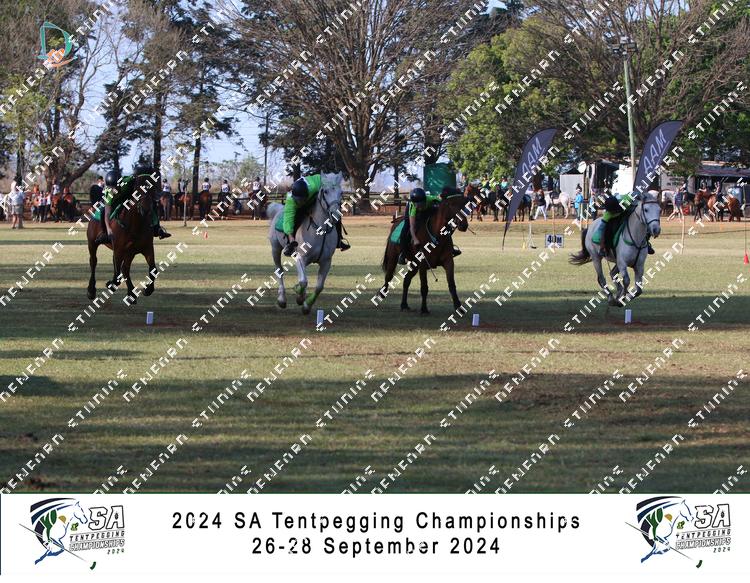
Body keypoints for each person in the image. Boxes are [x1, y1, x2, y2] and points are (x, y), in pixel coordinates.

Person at [95, 168, 172, 245]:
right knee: (102, 211)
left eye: (115, 187)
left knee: (150, 203)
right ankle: (104, 233)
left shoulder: (128, 180)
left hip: (129, 196)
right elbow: (107, 214)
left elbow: (141, 177)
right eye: (111, 188)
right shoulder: (109, 195)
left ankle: (157, 228)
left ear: (120, 182)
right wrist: (109, 228)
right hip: (116, 201)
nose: (113, 190)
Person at [282, 173, 350, 256]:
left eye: (302, 199)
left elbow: (329, 183)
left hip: (313, 199)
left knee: (335, 212)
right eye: (299, 200)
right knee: (295, 217)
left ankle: (339, 239)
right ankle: (289, 245)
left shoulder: (315, 185)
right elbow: (288, 220)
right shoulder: (291, 201)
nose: (301, 201)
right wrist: (291, 238)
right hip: (301, 206)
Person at [592, 193, 654, 257]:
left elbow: (637, 194)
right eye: (613, 211)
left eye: (615, 209)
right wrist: (601, 246)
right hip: (616, 218)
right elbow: (601, 230)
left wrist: (642, 198)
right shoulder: (607, 215)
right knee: (606, 230)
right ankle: (604, 248)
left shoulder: (626, 199)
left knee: (643, 220)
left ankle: (646, 242)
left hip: (628, 211)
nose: (615, 211)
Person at [397, 188, 440, 264]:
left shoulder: (430, 199)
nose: (417, 206)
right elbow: (412, 226)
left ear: (424, 200)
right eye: (416, 204)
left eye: (419, 204)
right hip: (410, 211)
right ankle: (403, 254)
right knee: (405, 228)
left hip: (426, 210)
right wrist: (415, 239)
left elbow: (443, 202)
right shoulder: (413, 207)